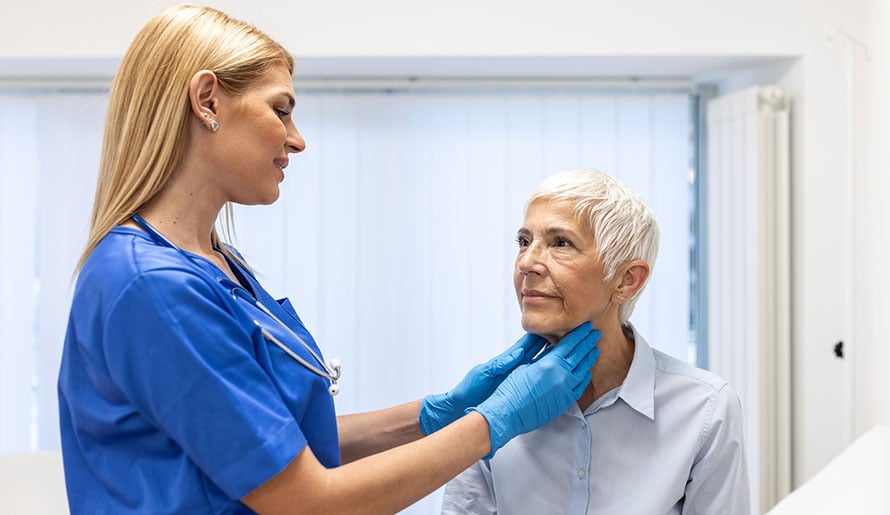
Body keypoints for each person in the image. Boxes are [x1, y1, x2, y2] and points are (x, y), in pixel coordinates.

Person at [56, 6, 602, 514]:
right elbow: (304, 500)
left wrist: (436, 413)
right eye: (281, 110)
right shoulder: (152, 285)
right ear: (208, 101)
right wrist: (491, 423)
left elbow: (270, 444)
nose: (297, 140)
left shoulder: (216, 264)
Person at [442, 169, 750, 514]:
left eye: (561, 243)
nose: (526, 263)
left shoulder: (705, 410)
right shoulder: (491, 406)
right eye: (524, 242)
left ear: (627, 280)